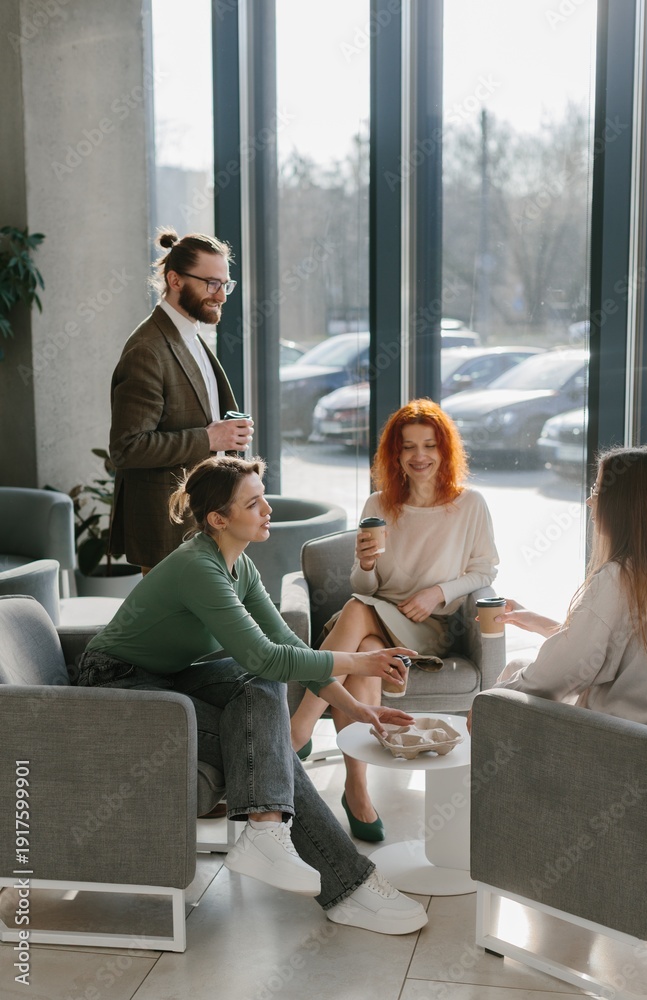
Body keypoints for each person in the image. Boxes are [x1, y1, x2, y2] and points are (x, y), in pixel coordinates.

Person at [77, 454, 428, 935]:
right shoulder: (198, 568)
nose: (268, 510)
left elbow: (284, 648)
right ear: (218, 519)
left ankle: (268, 833)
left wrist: (357, 707)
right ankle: (347, 885)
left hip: (166, 680)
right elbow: (265, 656)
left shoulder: (240, 567)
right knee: (268, 734)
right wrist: (360, 663)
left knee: (259, 687)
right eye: (253, 503)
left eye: (263, 498)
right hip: (113, 689)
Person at [290, 398, 499, 841]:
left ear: (444, 450)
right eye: (408, 447)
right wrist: (366, 564)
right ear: (396, 454)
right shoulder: (379, 504)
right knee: (364, 648)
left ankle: (300, 727)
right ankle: (357, 790)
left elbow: (485, 571)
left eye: (429, 445)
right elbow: (364, 587)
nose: (419, 456)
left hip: (429, 627)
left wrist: (438, 592)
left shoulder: (470, 505)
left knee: (356, 613)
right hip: (374, 618)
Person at [470, 445, 647, 730]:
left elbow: (555, 676)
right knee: (518, 669)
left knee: (509, 683)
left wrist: (488, 700)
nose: (589, 500)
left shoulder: (620, 578)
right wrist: (538, 621)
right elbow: (609, 647)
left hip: (617, 736)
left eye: (598, 489)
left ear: (625, 503)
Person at [108, 229, 254, 574]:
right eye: (212, 284)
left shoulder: (190, 336)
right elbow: (127, 448)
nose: (221, 296)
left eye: (226, 284)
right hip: (168, 529)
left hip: (203, 520)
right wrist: (210, 438)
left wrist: (227, 436)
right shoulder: (147, 349)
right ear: (175, 280)